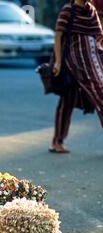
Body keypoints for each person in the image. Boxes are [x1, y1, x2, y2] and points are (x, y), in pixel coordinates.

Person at [51, 0, 103, 153]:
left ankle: (57, 142)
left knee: (96, 98)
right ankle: (57, 142)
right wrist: (58, 62)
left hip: (92, 63)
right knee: (73, 100)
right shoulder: (68, 10)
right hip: (73, 64)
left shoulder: (91, 10)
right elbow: (58, 37)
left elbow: (99, 36)